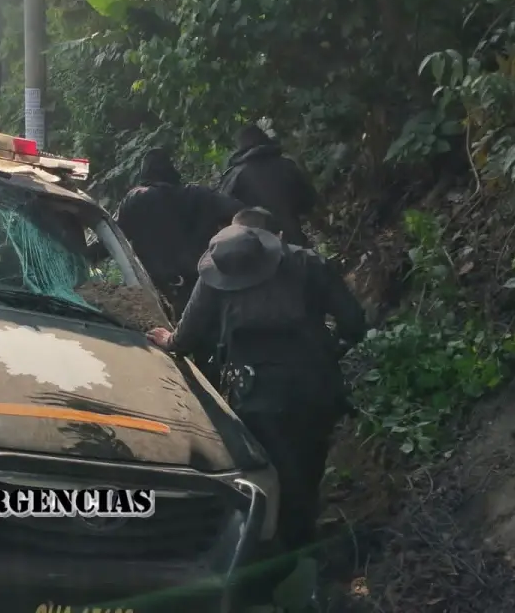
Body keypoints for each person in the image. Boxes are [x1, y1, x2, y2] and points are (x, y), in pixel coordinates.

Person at [147, 207, 366, 553]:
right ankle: (301, 543)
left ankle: (261, 549)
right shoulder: (308, 263)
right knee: (308, 464)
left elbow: (187, 337)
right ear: (277, 238)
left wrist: (168, 341)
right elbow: (354, 323)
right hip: (316, 386)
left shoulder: (219, 270)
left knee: (265, 472)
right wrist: (328, 353)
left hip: (256, 394)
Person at [113, 148, 243, 318]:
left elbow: (113, 237)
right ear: (172, 171)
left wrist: (80, 252)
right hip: (201, 287)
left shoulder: (135, 199)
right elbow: (242, 214)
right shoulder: (200, 196)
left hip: (153, 290)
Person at [218, 124, 318, 247]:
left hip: (254, 249)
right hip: (292, 242)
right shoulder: (287, 166)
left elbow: (222, 216)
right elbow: (309, 202)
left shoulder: (233, 177)